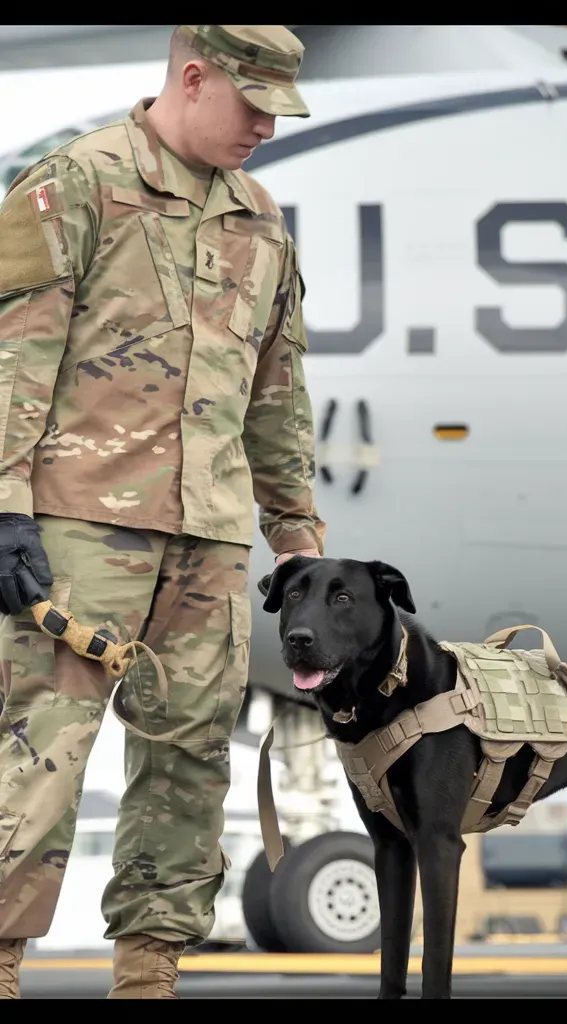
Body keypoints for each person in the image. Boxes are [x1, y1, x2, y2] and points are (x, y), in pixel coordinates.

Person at [0, 25, 325, 999]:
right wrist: (4, 505)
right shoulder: (74, 186)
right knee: (39, 760)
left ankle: (150, 978)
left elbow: (277, 391)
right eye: (252, 103)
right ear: (193, 76)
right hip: (76, 534)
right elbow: (13, 356)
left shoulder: (260, 219)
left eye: (280, 108)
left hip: (210, 544)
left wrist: (298, 535)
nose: (268, 126)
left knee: (188, 767)